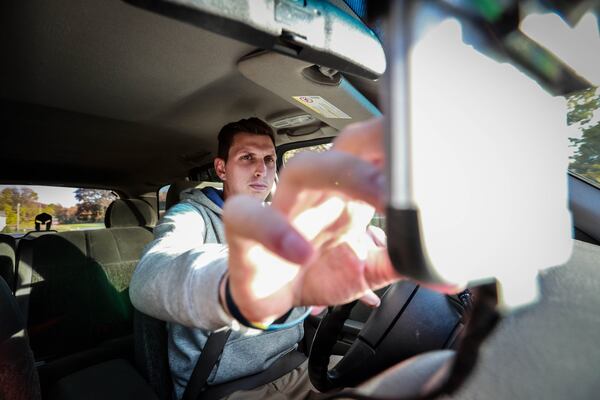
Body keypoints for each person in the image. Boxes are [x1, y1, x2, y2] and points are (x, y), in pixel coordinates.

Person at [130, 117, 402, 399]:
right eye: (247, 158)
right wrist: (241, 281)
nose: (262, 169)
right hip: (227, 388)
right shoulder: (190, 216)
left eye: (269, 159)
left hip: (300, 369)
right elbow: (150, 274)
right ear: (222, 168)